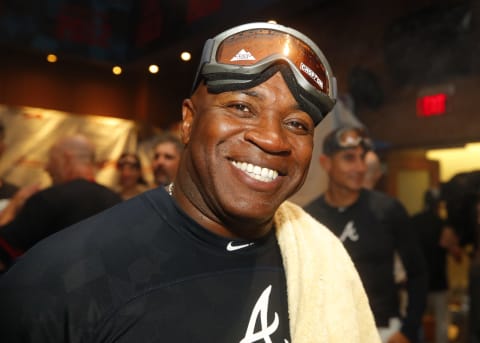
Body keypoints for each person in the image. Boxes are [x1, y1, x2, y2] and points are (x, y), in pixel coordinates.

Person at [0, 22, 381, 342]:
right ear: (188, 121)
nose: (272, 139)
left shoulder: (317, 263)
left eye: (297, 124)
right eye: (242, 107)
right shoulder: (60, 281)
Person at [304, 126, 428, 343]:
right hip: (331, 333)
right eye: (349, 158)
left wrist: (408, 330)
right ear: (326, 163)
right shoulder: (308, 218)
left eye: (362, 158)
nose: (360, 167)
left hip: (385, 332)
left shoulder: (388, 210)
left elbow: (418, 273)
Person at [0, 134, 122, 270]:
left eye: (51, 159)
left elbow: (4, 251)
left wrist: (13, 206)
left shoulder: (47, 199)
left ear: (66, 159)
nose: (46, 167)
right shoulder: (116, 201)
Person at [411, 188, 461, 343]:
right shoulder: (444, 224)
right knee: (442, 325)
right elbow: (456, 255)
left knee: (415, 323)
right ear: (438, 205)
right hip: (439, 282)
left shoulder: (413, 221)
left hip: (418, 281)